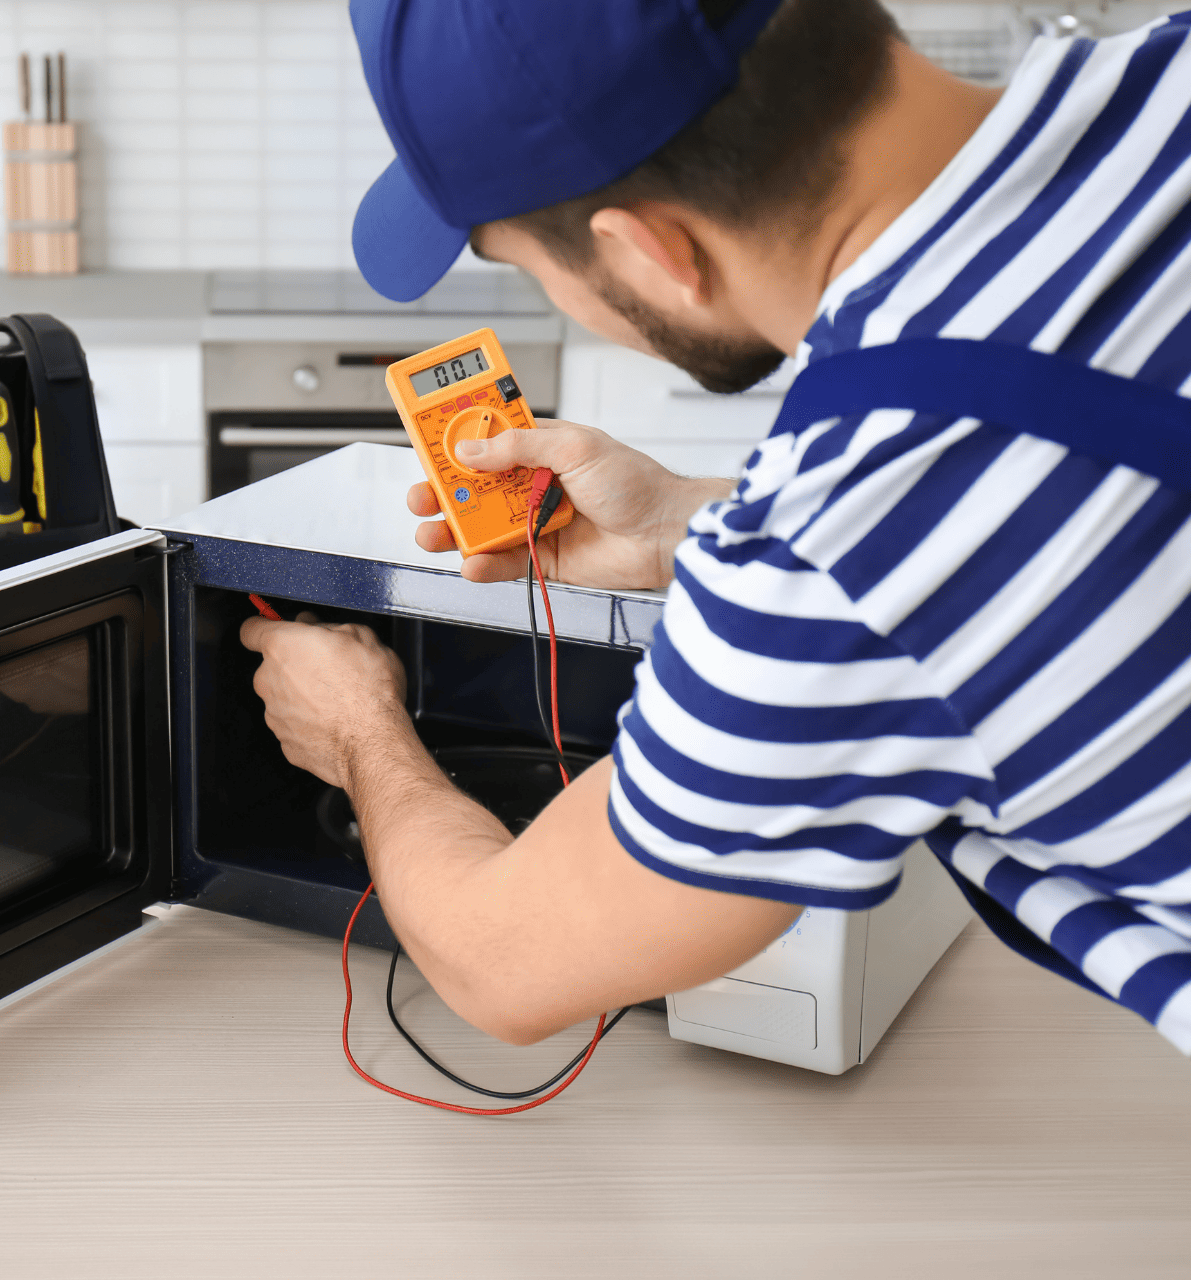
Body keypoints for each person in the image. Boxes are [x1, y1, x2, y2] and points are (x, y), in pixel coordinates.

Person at [239, 0, 1191, 1053]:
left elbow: (500, 961)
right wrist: (688, 525)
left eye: (533, 270)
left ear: (651, 253)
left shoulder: (831, 555)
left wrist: (358, 729)